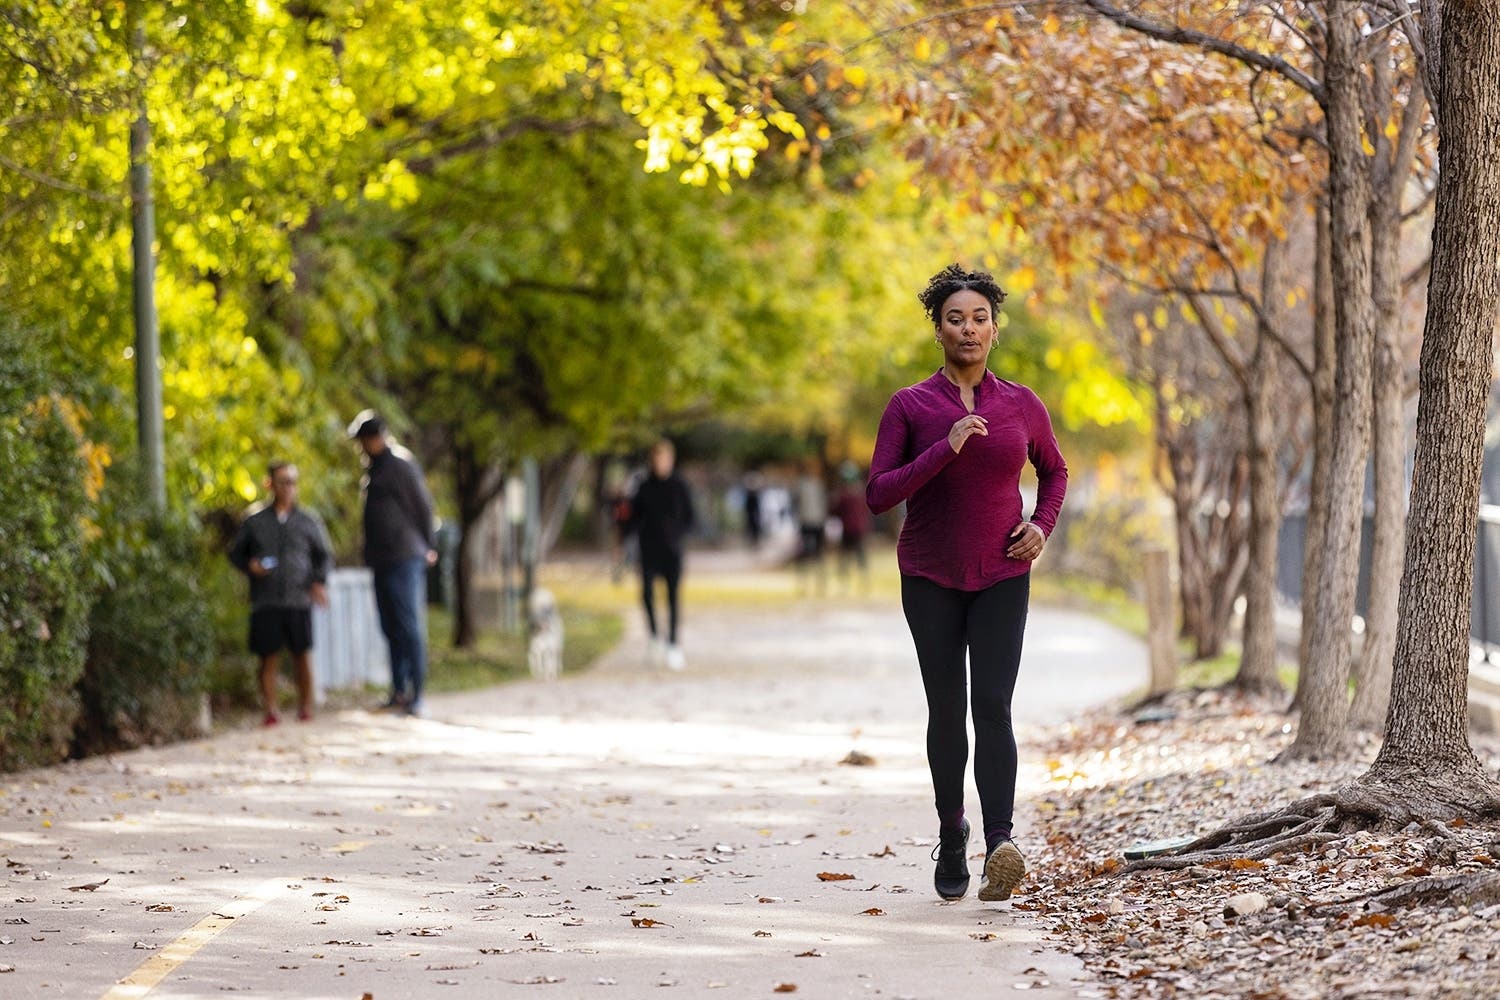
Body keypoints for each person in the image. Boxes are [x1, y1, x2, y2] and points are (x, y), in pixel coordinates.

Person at [866, 263, 1068, 903]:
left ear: (995, 330)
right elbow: (877, 494)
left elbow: (1056, 472)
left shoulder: (1021, 404)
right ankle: (952, 834)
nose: (969, 328)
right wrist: (944, 448)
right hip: (929, 575)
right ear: (939, 330)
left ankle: (1000, 843)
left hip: (1003, 573)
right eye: (956, 318)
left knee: (994, 707)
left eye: (980, 317)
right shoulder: (909, 405)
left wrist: (1042, 524)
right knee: (948, 710)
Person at [228, 461, 332, 726]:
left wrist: (318, 582)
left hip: (298, 598)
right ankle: (271, 710)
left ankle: (305, 707)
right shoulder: (254, 520)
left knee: (302, 655)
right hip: (266, 599)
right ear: (270, 484)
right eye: (283, 481)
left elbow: (323, 556)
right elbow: (236, 554)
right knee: (267, 657)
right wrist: (250, 566)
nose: (288, 488)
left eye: (292, 482)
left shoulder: (309, 521)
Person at [349, 411, 437, 716]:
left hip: (405, 556)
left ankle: (417, 694)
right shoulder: (373, 470)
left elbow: (423, 506)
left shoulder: (400, 464)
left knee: (409, 625)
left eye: (363, 441)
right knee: (390, 627)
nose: (360, 447)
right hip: (382, 559)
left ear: (376, 438)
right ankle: (399, 690)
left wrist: (429, 545)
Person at [623, 439, 695, 671]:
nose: (660, 462)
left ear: (670, 460)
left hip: (672, 551)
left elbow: (691, 518)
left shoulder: (680, 486)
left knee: (673, 598)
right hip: (648, 551)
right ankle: (654, 637)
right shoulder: (643, 487)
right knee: (646, 594)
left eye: (664, 458)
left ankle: (673, 644)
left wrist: (678, 536)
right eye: (656, 458)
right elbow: (632, 519)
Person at [831, 462, 872, 592]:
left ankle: (845, 585)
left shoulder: (843, 495)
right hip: (859, 529)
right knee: (860, 558)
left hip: (848, 530)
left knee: (845, 558)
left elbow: (834, 510)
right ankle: (864, 583)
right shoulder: (861, 493)